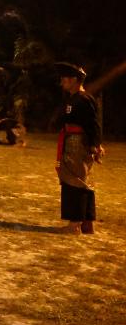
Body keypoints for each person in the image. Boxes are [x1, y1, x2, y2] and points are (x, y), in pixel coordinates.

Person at [55, 62, 104, 234]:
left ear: (74, 80)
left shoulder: (84, 99)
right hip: (71, 141)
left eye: (65, 79)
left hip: (78, 144)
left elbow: (94, 125)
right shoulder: (72, 98)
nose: (62, 82)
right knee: (78, 180)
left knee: (74, 181)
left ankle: (74, 224)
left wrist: (95, 146)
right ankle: (86, 223)